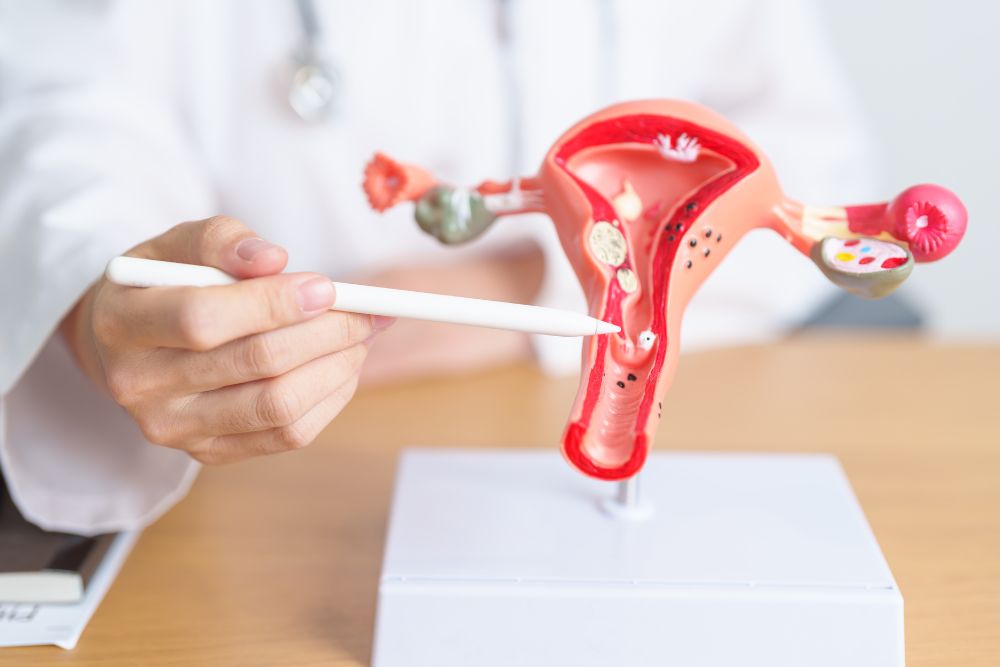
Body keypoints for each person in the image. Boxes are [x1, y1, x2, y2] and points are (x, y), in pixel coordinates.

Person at [0, 0, 875, 535]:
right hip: (285, 466)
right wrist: (98, 300)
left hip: (594, 362)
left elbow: (805, 152)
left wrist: (513, 284)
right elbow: (66, 114)